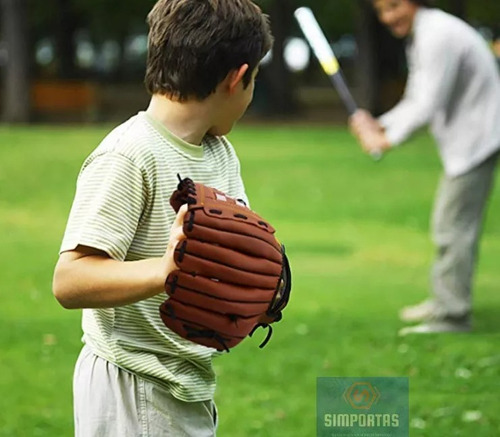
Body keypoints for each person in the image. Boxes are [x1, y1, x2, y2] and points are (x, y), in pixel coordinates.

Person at [52, 0, 273, 435]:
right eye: (255, 81)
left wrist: (247, 291)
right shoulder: (129, 155)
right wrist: (167, 270)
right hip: (129, 382)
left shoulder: (219, 152)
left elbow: (227, 256)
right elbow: (69, 280)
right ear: (237, 78)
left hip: (182, 379)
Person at [350, 0, 500, 335]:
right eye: (382, 11)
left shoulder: (437, 35)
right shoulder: (427, 32)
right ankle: (444, 301)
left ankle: (452, 315)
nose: (389, 17)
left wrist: (385, 140)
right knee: (448, 225)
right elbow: (416, 97)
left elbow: (429, 103)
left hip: (477, 140)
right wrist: (379, 124)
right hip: (470, 139)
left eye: (395, 6)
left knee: (453, 228)